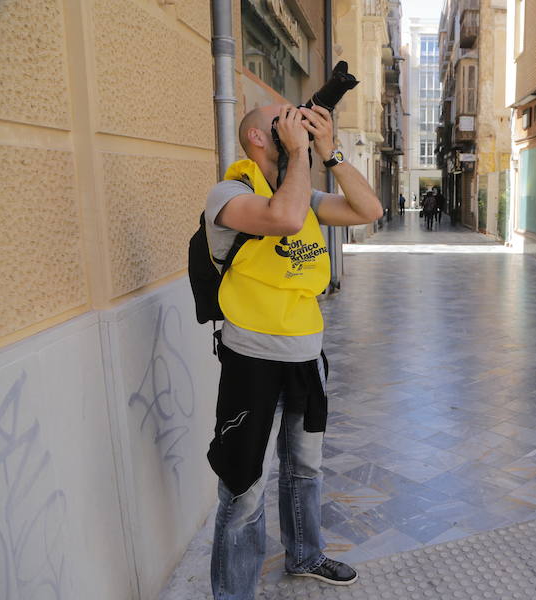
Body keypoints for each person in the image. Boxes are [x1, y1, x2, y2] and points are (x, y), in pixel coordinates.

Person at [204, 103, 382, 599]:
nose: (293, 126)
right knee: (244, 486)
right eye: (283, 122)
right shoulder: (228, 195)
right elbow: (281, 218)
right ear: (259, 138)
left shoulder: (305, 194)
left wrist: (332, 151)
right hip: (252, 361)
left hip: (306, 356)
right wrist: (302, 152)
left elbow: (370, 211)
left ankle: (304, 554)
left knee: (306, 467)